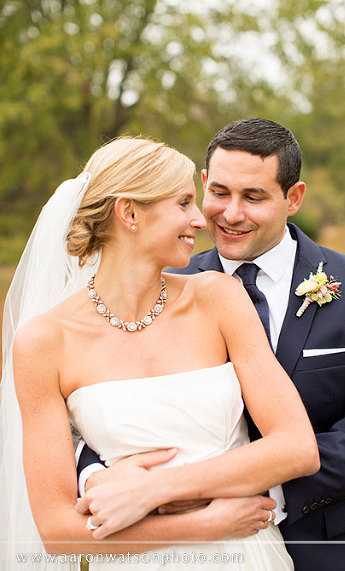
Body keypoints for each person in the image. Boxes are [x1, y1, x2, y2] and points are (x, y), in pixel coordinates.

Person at [0, 137, 320, 570]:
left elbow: (297, 447)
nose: (200, 219)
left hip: (246, 555)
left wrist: (155, 488)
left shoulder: (218, 297)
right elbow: (58, 531)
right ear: (129, 213)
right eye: (184, 202)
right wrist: (204, 526)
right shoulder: (44, 341)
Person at [78, 118, 345, 570]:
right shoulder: (163, 283)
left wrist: (259, 492)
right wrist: (99, 478)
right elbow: (98, 400)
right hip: (176, 544)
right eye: (219, 193)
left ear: (293, 198)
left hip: (332, 541)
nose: (231, 214)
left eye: (253, 197)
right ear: (203, 184)